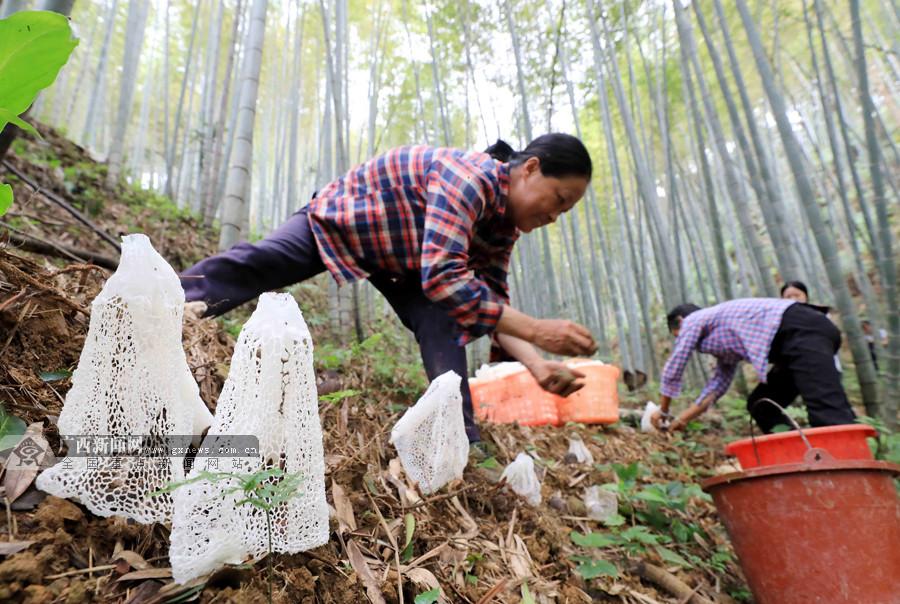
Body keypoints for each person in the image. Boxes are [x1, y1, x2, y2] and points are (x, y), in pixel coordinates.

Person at [180, 134, 598, 445]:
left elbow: (487, 304)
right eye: (559, 200)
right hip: (346, 220)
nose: (556, 216)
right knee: (263, 262)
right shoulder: (469, 178)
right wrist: (539, 330)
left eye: (566, 209)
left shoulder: (503, 228)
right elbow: (445, 278)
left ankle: (458, 439)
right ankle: (168, 304)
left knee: (447, 321)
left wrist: (537, 365)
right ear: (530, 169)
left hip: (409, 266)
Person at [651, 299, 856, 433]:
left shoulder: (693, 320)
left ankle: (850, 470)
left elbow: (674, 367)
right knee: (762, 404)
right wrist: (682, 419)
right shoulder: (721, 333)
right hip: (790, 346)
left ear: (680, 321)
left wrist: (664, 411)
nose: (685, 342)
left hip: (800, 330)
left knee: (828, 410)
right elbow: (716, 388)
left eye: (677, 335)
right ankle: (797, 450)